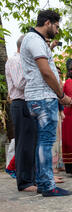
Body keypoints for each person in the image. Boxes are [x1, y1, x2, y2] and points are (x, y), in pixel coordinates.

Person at [20, 9, 72, 197]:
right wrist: (61, 95)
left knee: (42, 142)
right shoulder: (34, 40)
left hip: (37, 97)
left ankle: (44, 183)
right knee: (45, 142)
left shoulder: (34, 40)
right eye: (57, 26)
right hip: (43, 97)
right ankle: (47, 186)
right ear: (48, 23)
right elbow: (46, 72)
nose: (57, 31)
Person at [5, 34, 38, 192]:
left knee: (31, 143)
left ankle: (31, 178)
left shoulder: (23, 61)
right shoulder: (16, 60)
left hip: (28, 103)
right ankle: (24, 182)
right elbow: (20, 83)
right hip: (21, 103)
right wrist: (36, 73)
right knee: (24, 144)